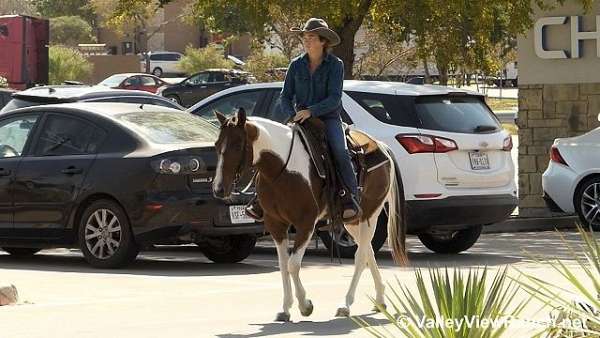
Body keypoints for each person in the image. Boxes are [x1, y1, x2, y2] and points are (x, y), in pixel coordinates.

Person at [246, 17, 361, 222]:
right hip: (298, 118)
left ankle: (350, 197)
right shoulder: (296, 65)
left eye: (311, 37)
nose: (306, 41)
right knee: (275, 150)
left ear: (323, 41)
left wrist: (311, 111)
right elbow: (285, 95)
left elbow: (335, 98)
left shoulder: (336, 65)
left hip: (328, 118)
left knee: (341, 151)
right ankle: (258, 198)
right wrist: (292, 114)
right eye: (305, 37)